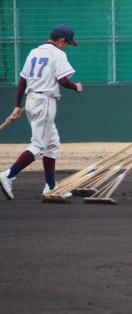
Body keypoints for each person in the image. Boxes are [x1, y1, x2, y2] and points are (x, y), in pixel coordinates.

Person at [0, 24, 82, 200]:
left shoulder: (34, 52)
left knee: (52, 144)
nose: (66, 46)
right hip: (44, 101)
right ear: (61, 40)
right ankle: (7, 174)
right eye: (67, 43)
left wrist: (17, 106)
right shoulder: (57, 53)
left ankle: (50, 187)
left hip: (31, 100)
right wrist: (75, 86)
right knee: (39, 146)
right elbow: (62, 80)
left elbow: (23, 80)